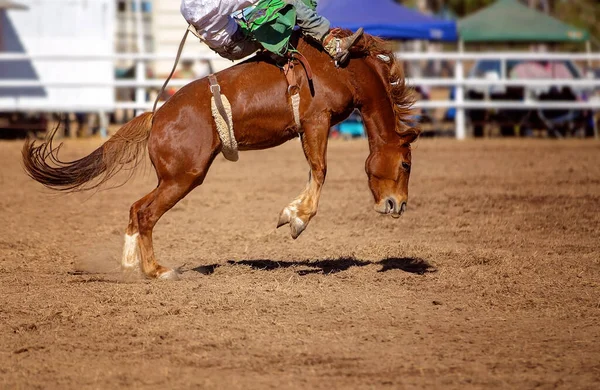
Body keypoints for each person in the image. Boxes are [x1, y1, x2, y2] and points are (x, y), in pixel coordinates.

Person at [180, 0, 363, 64]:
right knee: (289, 3)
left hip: (228, 43)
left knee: (265, 11)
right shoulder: (215, 2)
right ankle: (333, 44)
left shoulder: (186, 5)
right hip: (240, 42)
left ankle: (278, 53)